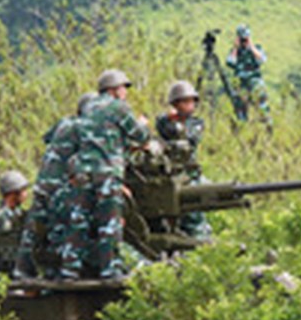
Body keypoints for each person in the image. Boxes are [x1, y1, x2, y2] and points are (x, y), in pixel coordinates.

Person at [71, 69, 150, 279]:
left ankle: (70, 269)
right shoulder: (118, 107)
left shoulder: (88, 108)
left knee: (80, 221)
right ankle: (109, 270)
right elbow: (140, 135)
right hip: (106, 173)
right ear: (115, 90)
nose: (125, 93)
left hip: (83, 173)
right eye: (124, 88)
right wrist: (142, 124)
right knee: (109, 223)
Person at [16, 93, 95, 279]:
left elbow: (47, 139)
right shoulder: (82, 127)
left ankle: (23, 272)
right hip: (59, 185)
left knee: (33, 231)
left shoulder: (65, 123)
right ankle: (69, 269)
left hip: (44, 183)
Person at [155, 80, 212, 241]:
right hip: (170, 173)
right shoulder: (164, 120)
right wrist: (171, 119)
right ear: (176, 104)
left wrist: (177, 124)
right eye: (186, 102)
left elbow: (190, 138)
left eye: (192, 101)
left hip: (190, 173)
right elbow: (163, 127)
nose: (190, 105)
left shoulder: (196, 123)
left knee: (206, 196)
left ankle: (200, 235)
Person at [225, 24, 272, 126]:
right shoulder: (235, 52)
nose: (244, 41)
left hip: (254, 80)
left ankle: (268, 126)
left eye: (245, 39)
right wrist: (235, 48)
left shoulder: (257, 49)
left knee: (262, 104)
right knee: (240, 107)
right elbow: (230, 62)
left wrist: (251, 47)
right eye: (242, 39)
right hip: (241, 83)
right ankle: (243, 127)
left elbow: (262, 60)